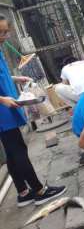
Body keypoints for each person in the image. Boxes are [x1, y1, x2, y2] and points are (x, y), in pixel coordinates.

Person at [0, 14, 66, 207]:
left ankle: (23, 192)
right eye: (0, 32)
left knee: (12, 152)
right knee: (18, 150)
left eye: (5, 31)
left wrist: (14, 79)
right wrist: (3, 99)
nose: (4, 35)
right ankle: (39, 190)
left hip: (7, 108)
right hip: (3, 112)